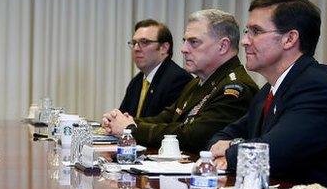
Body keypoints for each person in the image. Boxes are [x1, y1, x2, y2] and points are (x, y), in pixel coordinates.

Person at [208, 0, 327, 189]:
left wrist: (231, 150)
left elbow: (273, 152)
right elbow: (220, 138)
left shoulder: (319, 87)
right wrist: (225, 149)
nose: (245, 41)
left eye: (256, 31)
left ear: (289, 39)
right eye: (247, 31)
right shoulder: (270, 89)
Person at [102, 9, 258, 152]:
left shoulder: (235, 89)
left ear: (223, 46)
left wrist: (130, 128)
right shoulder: (197, 82)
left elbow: (192, 136)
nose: (183, 49)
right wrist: (121, 122)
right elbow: (165, 118)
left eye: (193, 42)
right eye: (185, 41)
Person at [118, 19, 191, 119]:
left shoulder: (178, 80)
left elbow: (166, 124)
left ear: (164, 48)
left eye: (144, 42)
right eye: (134, 43)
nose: (136, 48)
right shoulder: (137, 81)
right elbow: (123, 116)